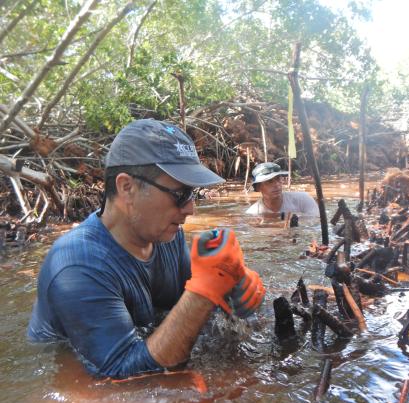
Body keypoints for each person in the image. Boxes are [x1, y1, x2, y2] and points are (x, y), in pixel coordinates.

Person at [28, 119, 265, 378]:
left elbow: (196, 301)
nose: (190, 208)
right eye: (179, 194)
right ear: (127, 188)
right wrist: (205, 290)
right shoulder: (76, 266)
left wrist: (234, 282)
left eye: (192, 193)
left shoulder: (165, 236)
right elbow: (121, 374)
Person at [245, 162, 319, 216]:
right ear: (258, 187)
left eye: (278, 179)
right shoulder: (253, 213)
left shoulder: (303, 199)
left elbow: (317, 222)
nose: (277, 185)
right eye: (269, 181)